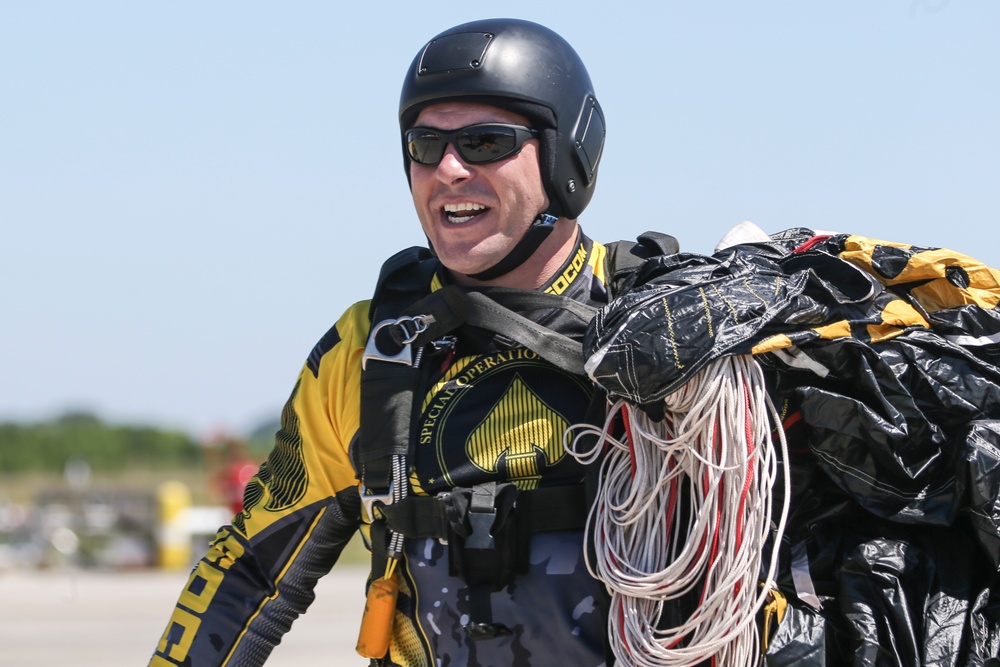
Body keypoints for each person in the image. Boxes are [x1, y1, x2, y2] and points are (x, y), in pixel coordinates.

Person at [149, 18, 628, 667]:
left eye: (486, 142)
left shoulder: (671, 332)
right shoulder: (367, 350)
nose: (449, 168)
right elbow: (249, 571)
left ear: (565, 157)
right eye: (426, 143)